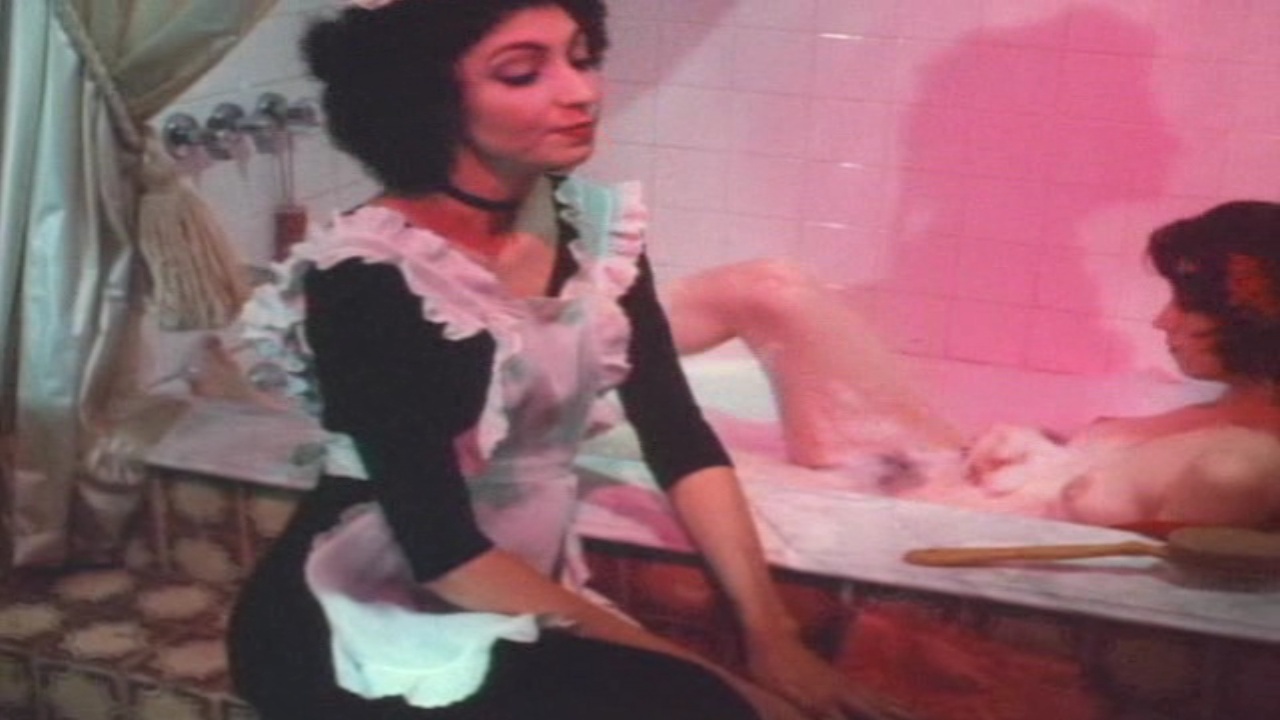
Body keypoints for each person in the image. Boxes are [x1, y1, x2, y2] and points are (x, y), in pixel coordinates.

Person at [225, 2, 911, 720]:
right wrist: (728, 682)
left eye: (582, 59)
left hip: (512, 587)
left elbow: (676, 434)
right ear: (429, 99)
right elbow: (442, 551)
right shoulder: (370, 273)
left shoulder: (594, 229)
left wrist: (772, 635)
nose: (581, 92)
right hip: (368, 610)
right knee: (706, 704)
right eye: (523, 73)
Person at [660, 202, 1280, 530]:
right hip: (920, 476)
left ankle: (595, 359)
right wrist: (1037, 446)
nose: (1163, 322)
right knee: (772, 288)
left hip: (903, 515)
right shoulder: (1226, 415)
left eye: (1187, 303)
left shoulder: (1244, 465)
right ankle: (596, 346)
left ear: (1251, 317)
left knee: (766, 293)